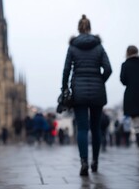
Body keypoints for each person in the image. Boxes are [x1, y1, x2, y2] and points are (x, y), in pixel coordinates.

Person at [61, 14, 112, 175]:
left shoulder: (73, 46)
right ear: (89, 28)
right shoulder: (99, 46)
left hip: (79, 92)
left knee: (82, 129)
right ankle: (95, 162)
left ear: (79, 28)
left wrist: (64, 88)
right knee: (96, 128)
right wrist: (100, 80)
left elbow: (66, 70)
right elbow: (108, 69)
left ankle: (84, 162)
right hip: (97, 92)